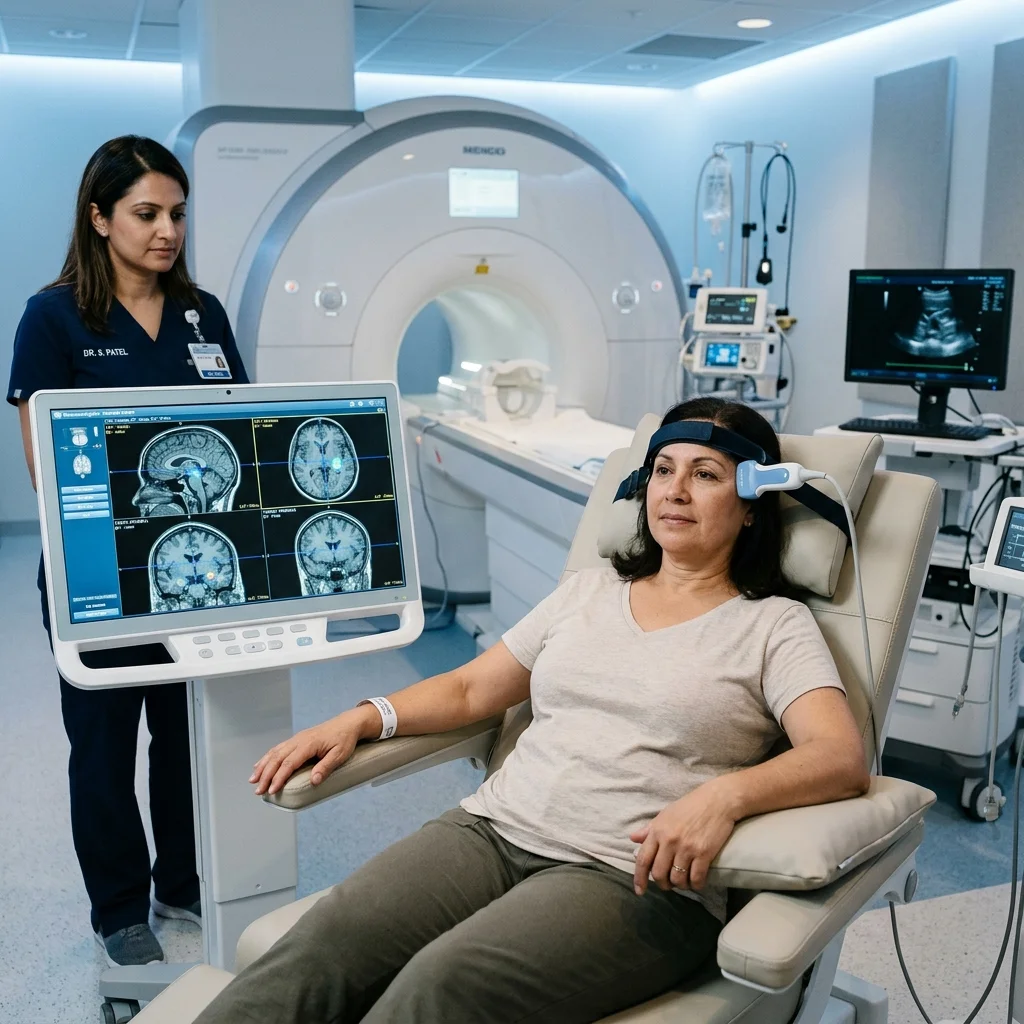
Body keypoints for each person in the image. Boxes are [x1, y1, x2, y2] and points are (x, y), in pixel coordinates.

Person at [196, 397, 869, 1024]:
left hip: (629, 877)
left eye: (706, 475)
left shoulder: (772, 625)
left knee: (441, 984)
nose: (676, 490)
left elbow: (839, 756)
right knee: (327, 940)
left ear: (751, 505)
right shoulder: (590, 590)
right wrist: (363, 717)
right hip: (492, 830)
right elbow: (470, 690)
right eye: (664, 470)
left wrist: (723, 798)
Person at [7, 136, 249, 968]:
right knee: (104, 744)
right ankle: (117, 908)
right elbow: (44, 464)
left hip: (197, 568)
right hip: (99, 570)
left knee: (186, 734)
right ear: (100, 217)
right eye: (146, 214)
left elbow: (237, 429)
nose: (167, 231)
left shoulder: (202, 314)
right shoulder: (54, 316)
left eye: (177, 214)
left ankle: (180, 880)